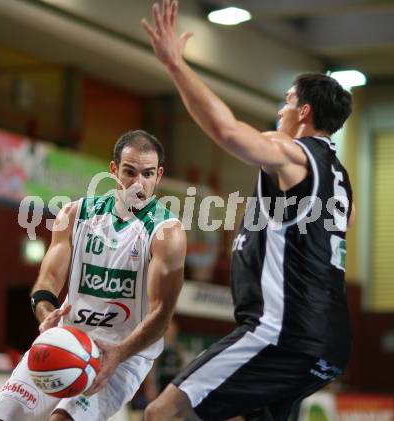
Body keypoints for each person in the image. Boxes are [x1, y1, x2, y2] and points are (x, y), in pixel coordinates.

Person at [142, 1, 355, 420]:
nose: (280, 110)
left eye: (287, 101)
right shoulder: (340, 177)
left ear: (304, 112)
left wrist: (175, 66)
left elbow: (226, 130)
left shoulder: (291, 153)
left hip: (279, 333)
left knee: (162, 413)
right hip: (328, 342)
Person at [0, 129, 187, 421]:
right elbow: (47, 282)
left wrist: (119, 353)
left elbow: (162, 315)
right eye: (130, 172)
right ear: (114, 170)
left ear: (159, 175)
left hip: (126, 353)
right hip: (69, 339)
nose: (139, 184)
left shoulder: (167, 232)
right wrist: (46, 316)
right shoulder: (75, 214)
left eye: (148, 174)